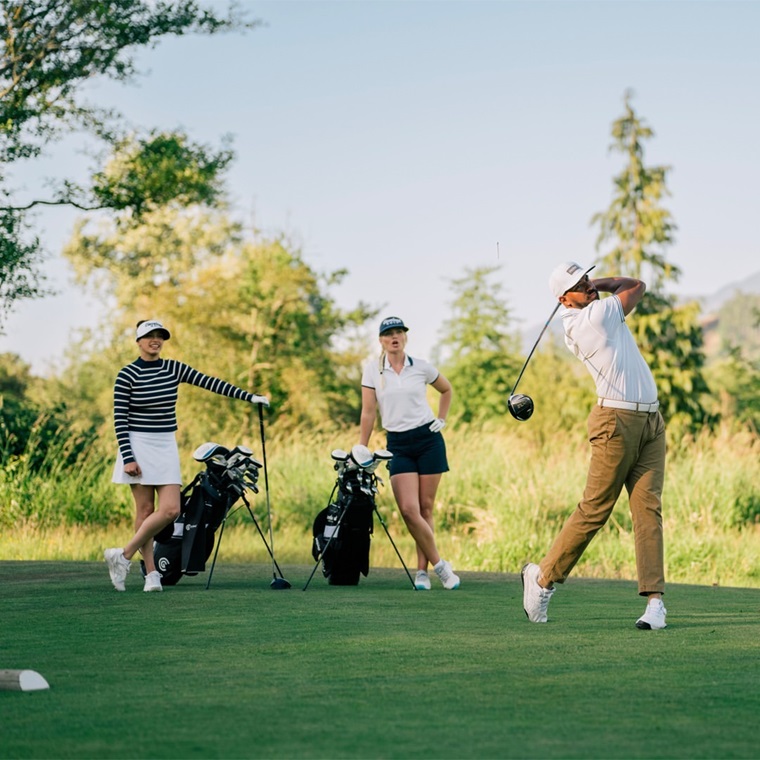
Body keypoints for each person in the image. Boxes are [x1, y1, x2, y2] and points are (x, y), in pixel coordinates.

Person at [521, 262, 667, 629]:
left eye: (587, 279)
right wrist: (600, 285)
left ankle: (654, 604)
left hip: (651, 422)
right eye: (578, 285)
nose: (588, 287)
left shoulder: (593, 310)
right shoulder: (592, 318)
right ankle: (542, 581)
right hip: (614, 424)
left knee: (648, 510)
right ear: (563, 299)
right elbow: (636, 285)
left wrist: (589, 284)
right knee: (595, 510)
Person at [105, 319, 269, 593]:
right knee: (145, 511)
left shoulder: (173, 368)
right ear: (138, 341)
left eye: (160, 336)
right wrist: (128, 456)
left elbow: (210, 383)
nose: (155, 340)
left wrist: (250, 397)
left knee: (171, 509)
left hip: (165, 444)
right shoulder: (127, 375)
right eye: (149, 336)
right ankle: (151, 574)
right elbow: (119, 419)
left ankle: (122, 555)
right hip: (138, 444)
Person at [359, 316, 460, 590]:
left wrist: (442, 418)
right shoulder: (372, 371)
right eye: (388, 333)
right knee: (408, 509)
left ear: (405, 337)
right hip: (398, 445)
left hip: (428, 440)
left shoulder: (421, 367)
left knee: (426, 508)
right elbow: (368, 412)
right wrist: (362, 445)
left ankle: (422, 573)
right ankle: (441, 566)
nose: (394, 337)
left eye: (399, 332)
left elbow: (446, 389)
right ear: (381, 340)